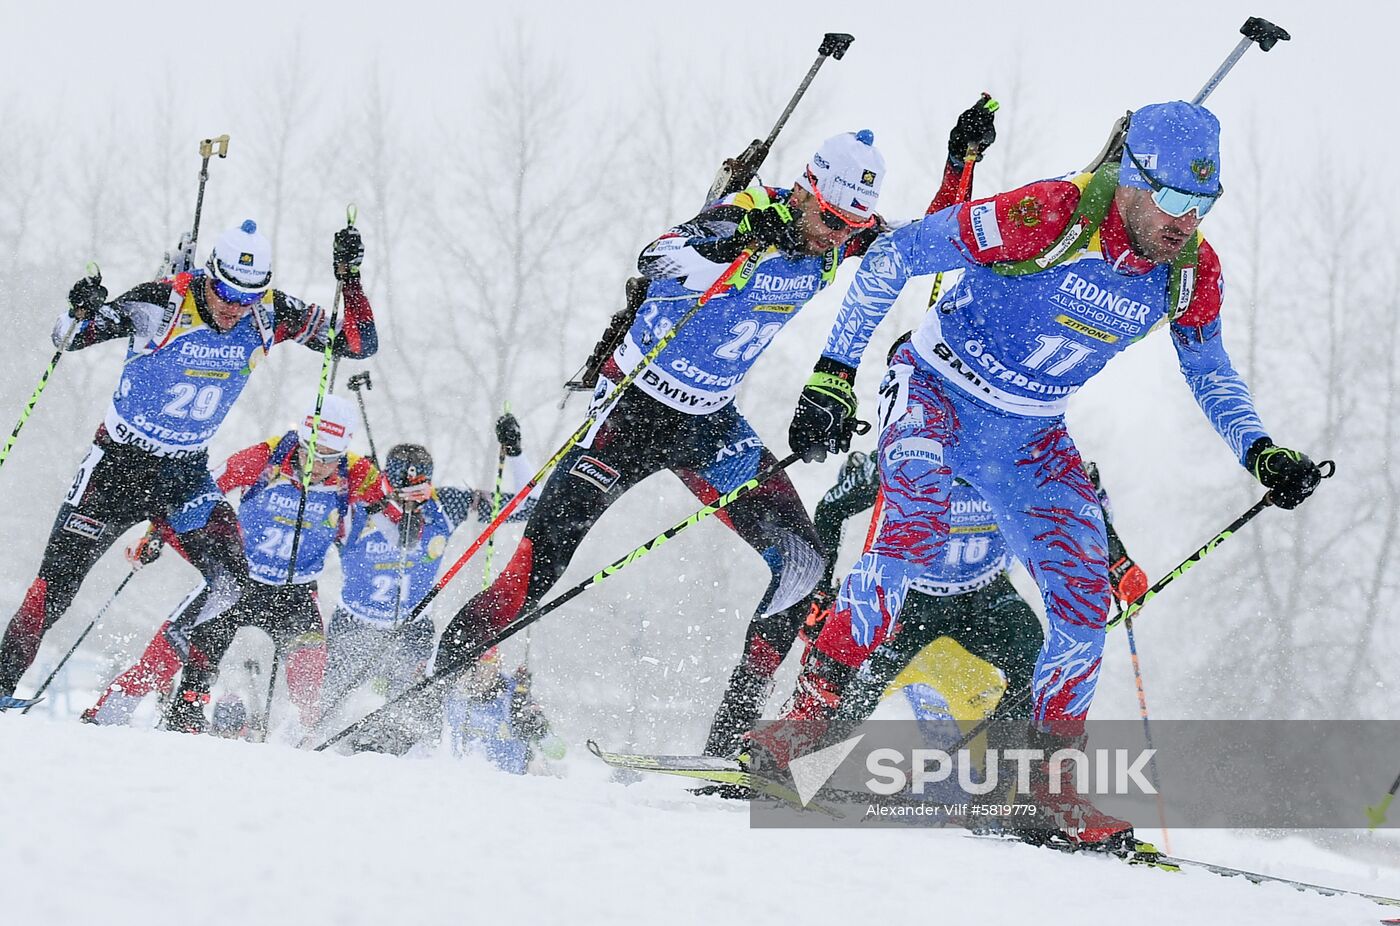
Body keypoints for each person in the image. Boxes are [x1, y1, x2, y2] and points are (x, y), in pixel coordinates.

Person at [761, 101, 1323, 845]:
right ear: (1130, 179)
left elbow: (1209, 366)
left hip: (1030, 431)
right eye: (1175, 200)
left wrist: (1261, 450)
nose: (1186, 222)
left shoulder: (1190, 269)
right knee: (913, 532)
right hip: (937, 390)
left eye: (1204, 204)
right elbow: (896, 257)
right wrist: (832, 372)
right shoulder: (1047, 213)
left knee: (1086, 600)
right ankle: (801, 731)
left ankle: (1046, 790)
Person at [434, 101, 999, 760]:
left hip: (708, 425)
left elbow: (926, 241)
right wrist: (735, 237)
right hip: (631, 410)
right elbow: (657, 257)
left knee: (804, 564)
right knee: (534, 574)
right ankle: (422, 704)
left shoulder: (837, 236)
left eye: (850, 227)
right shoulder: (746, 214)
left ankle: (729, 744)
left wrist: (959, 164)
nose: (833, 238)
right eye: (827, 221)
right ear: (806, 191)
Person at [0, 219, 376, 701]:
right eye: (225, 293)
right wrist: (80, 308)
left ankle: (186, 692)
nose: (233, 308)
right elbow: (68, 338)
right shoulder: (162, 301)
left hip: (183, 475)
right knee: (53, 590)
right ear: (209, 274)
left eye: (248, 297)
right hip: (116, 466)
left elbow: (359, 344)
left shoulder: (269, 313)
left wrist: (351, 278)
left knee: (232, 583)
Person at [805, 451, 1146, 762]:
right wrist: (818, 595)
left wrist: (1118, 564)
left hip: (983, 594)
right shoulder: (913, 452)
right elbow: (831, 509)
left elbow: (1078, 510)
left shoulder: (1014, 452)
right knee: (852, 680)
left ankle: (1001, 796)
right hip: (912, 597)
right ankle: (802, 763)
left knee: (1036, 666)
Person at [84, 396, 388, 733]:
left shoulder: (360, 474)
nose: (315, 465)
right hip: (236, 581)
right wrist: (155, 537)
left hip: (296, 592)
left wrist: (391, 501)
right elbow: (196, 493)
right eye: (308, 451)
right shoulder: (264, 457)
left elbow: (397, 520)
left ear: (343, 453)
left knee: (310, 678)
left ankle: (308, 745)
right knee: (164, 657)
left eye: (327, 458)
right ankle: (103, 719)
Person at [317, 420, 536, 747]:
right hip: (354, 624)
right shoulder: (357, 507)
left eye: (422, 493)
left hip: (412, 629)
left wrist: (515, 453)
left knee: (416, 720)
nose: (414, 507)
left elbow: (525, 505)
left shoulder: (444, 506)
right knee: (322, 711)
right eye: (405, 496)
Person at [444, 650, 561, 774]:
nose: (478, 674)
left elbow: (557, 752)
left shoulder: (516, 697)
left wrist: (539, 729)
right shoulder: (451, 697)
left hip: (509, 786)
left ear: (497, 666)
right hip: (461, 784)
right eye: (472, 668)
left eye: (485, 667)